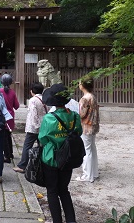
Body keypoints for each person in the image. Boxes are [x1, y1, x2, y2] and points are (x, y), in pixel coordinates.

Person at [39, 83, 82, 223]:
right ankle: (71, 220)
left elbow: (42, 138)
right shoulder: (75, 116)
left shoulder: (49, 118)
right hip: (68, 158)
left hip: (51, 158)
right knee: (64, 190)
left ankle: (57, 221)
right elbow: (79, 133)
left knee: (52, 191)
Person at [13, 82, 46, 173]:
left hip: (33, 127)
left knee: (27, 146)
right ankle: (43, 164)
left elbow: (33, 114)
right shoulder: (46, 99)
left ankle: (23, 165)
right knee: (42, 145)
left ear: (32, 91)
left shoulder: (33, 100)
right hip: (44, 125)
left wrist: (36, 126)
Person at [76, 76, 99, 183]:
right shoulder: (92, 97)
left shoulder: (84, 98)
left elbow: (81, 114)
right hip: (93, 125)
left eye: (80, 83)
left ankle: (87, 175)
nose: (79, 84)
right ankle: (94, 173)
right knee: (92, 149)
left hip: (86, 126)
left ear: (83, 85)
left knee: (86, 151)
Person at [0, 74, 20, 163]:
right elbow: (17, 106)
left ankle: (7, 156)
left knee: (3, 137)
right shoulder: (12, 92)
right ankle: (10, 153)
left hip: (2, 116)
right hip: (10, 116)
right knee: (8, 136)